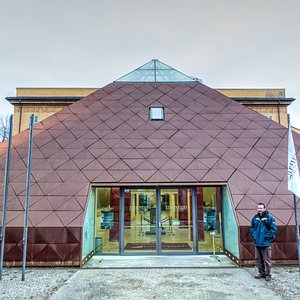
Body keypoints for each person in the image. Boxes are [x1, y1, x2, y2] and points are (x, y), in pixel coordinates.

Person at [250, 203, 277, 281]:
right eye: (258, 208)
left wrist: (266, 237)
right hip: (257, 243)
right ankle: (261, 273)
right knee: (258, 259)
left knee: (267, 260)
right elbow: (252, 228)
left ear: (265, 208)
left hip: (265, 243)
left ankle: (268, 275)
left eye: (261, 208)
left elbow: (273, 230)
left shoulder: (269, 218)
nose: (259, 210)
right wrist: (254, 235)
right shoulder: (255, 218)